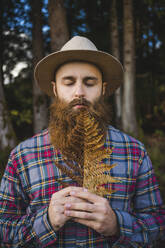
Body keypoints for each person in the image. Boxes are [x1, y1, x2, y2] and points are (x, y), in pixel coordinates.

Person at [0, 36, 164, 248]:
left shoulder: (133, 151)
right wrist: (45, 221)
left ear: (103, 89)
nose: (79, 92)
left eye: (89, 82)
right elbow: (4, 227)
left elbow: (158, 224)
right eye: (69, 82)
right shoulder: (23, 155)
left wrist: (117, 224)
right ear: (55, 89)